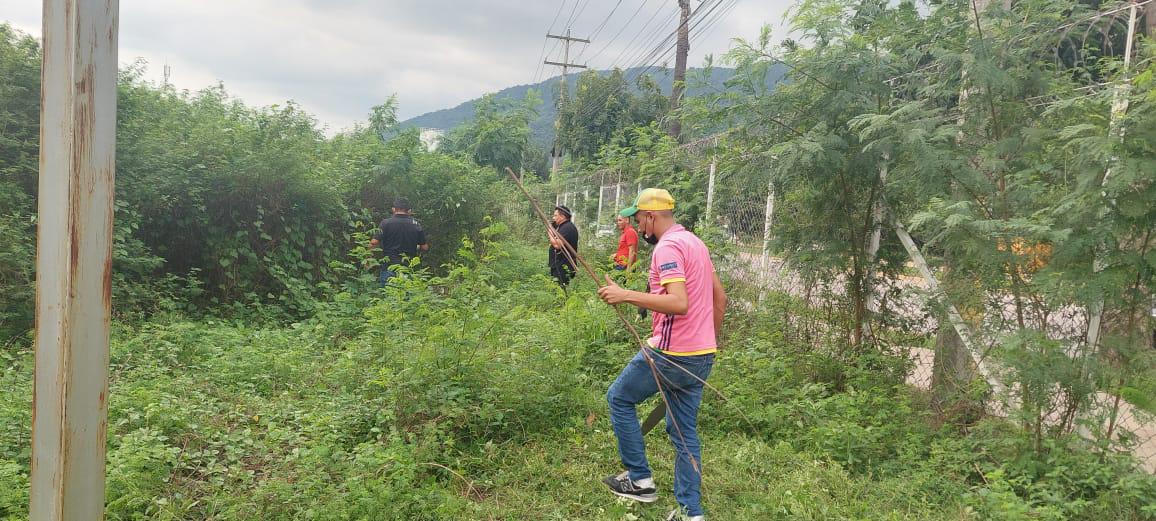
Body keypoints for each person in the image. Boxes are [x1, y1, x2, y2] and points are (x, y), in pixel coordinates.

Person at [596, 188, 726, 521]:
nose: (638, 226)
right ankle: (690, 513)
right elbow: (720, 300)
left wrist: (625, 295)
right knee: (683, 431)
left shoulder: (667, 248)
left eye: (639, 218)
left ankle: (639, 479)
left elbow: (678, 303)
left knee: (619, 398)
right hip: (701, 353)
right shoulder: (696, 243)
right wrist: (707, 344)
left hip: (671, 353)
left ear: (652, 216)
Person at [370, 197, 429, 285]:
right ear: (409, 211)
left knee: (388, 295)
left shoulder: (386, 223)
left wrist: (369, 259)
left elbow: (374, 242)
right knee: (407, 295)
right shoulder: (416, 224)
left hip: (389, 266)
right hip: (408, 267)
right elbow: (424, 247)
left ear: (393, 209)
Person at [548, 205, 579, 287]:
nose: (553, 218)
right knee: (557, 289)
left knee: (561, 289)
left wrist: (550, 233)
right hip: (559, 264)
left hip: (564, 266)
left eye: (555, 215)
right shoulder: (563, 226)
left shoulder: (567, 227)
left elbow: (557, 245)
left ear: (562, 216)